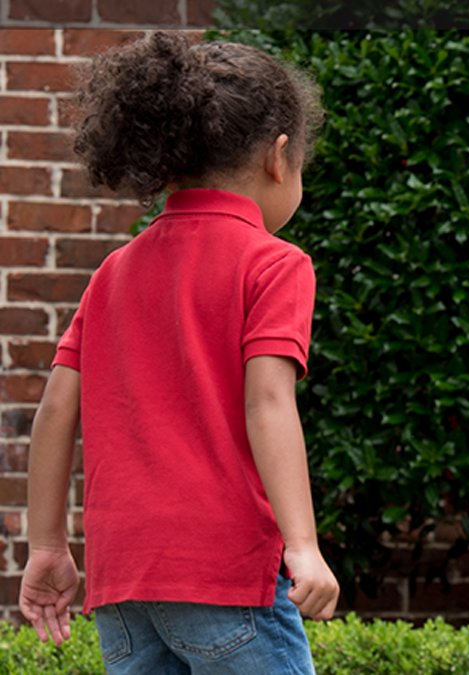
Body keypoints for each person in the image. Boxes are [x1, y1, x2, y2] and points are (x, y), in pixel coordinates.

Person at [18, 32, 339, 674]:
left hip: (124, 585)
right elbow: (269, 403)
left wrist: (47, 545)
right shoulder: (274, 263)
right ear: (280, 158)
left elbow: (54, 413)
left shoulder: (114, 270)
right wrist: (303, 545)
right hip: (223, 574)